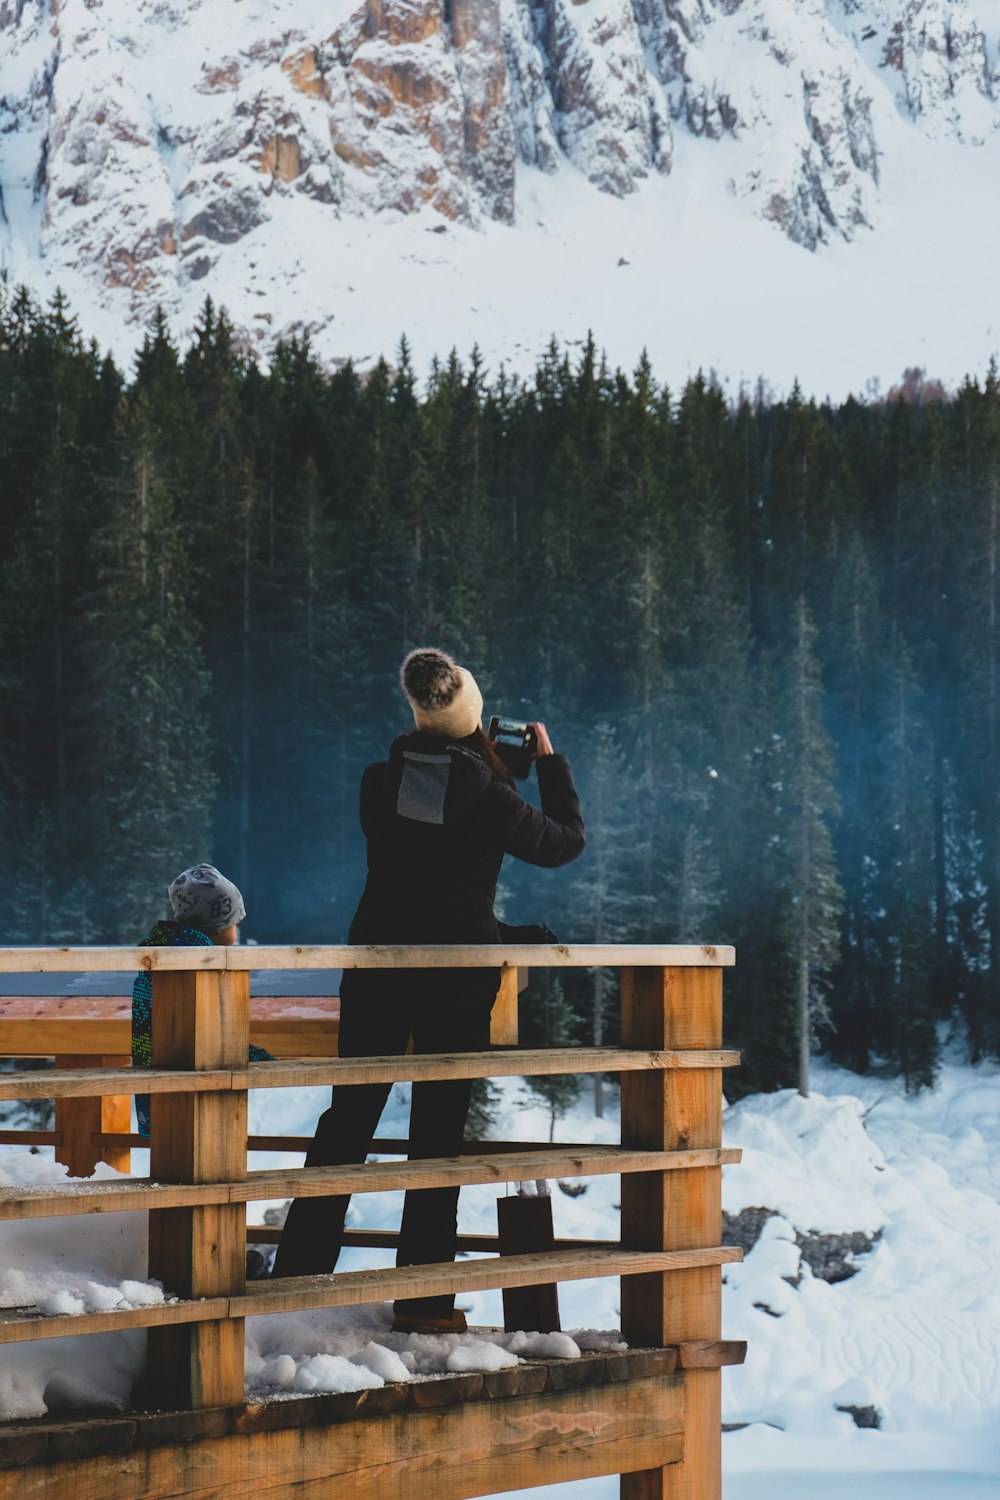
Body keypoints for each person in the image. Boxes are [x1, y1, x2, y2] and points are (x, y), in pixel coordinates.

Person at [272, 647, 586, 1332]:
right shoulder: (496, 800)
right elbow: (564, 842)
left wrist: (486, 763)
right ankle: (423, 1300)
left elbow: (427, 825)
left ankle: (293, 1281)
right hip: (456, 979)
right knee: (436, 1135)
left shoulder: (376, 785)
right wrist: (546, 766)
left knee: (347, 1123)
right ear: (474, 718)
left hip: (379, 966)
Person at [131, 863, 272, 1140]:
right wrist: (264, 1059)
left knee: (173, 1144)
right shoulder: (200, 963)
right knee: (194, 1148)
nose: (237, 932)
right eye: (235, 923)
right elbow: (209, 1034)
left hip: (156, 1081)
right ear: (217, 928)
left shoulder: (162, 955)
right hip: (190, 1084)